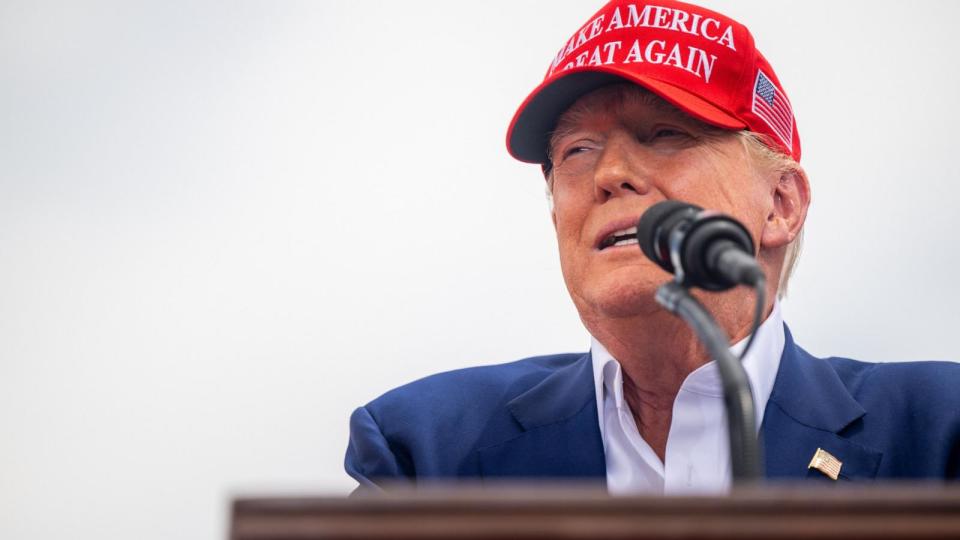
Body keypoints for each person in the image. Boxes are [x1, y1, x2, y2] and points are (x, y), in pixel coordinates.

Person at [344, 0, 960, 492]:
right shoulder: (427, 453)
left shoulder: (938, 435)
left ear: (781, 204)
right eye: (576, 150)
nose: (610, 173)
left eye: (665, 133)